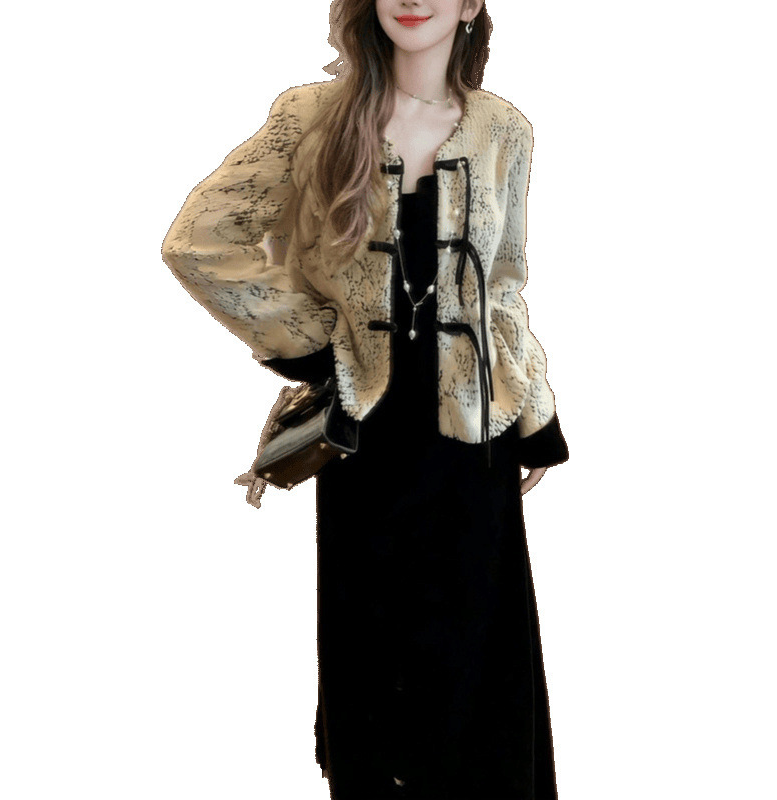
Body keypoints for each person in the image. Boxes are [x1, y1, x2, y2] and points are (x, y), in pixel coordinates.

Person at [161, 1, 570, 797]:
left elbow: (504, 285)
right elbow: (199, 242)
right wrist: (312, 342)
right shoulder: (311, 117)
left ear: (471, 5)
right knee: (375, 683)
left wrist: (535, 415)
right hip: (364, 447)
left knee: (479, 687)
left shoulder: (503, 130)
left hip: (471, 451)